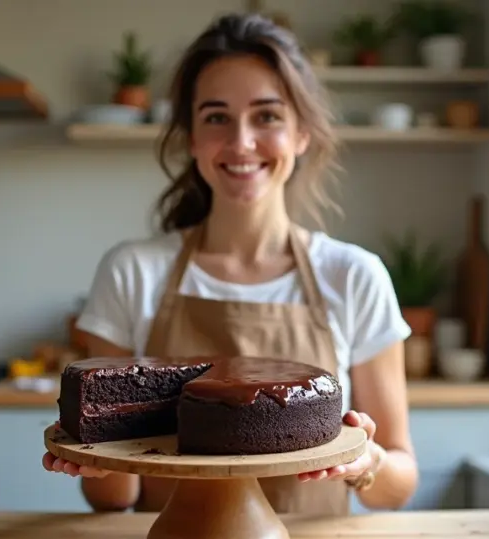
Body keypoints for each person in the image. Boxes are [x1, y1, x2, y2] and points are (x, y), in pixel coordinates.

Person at [42, 12, 418, 515]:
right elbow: (110, 501)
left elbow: (400, 483)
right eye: (217, 117)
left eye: (267, 116)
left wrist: (363, 460)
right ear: (192, 138)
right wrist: (101, 463)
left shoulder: (353, 276)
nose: (241, 142)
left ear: (301, 133)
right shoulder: (132, 271)